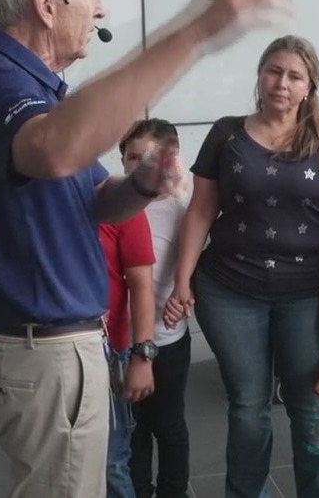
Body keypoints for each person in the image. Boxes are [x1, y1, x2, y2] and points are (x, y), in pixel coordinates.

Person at [0, 0, 292, 497]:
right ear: (47, 6)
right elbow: (54, 151)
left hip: (62, 347)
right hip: (44, 352)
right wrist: (199, 28)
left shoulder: (41, 94)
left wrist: (143, 185)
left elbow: (97, 200)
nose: (101, 6)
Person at [166, 35, 319, 498]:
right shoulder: (227, 134)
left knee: (313, 407)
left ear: (310, 86)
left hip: (310, 293)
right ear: (259, 75)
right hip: (230, 289)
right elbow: (200, 211)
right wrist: (181, 281)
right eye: (274, 70)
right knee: (247, 406)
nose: (282, 83)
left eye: (295, 75)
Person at [121, 119, 193, 498]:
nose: (140, 166)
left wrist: (185, 296)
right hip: (119, 342)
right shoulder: (111, 204)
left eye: (150, 158)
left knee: (168, 425)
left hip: (167, 341)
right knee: (132, 429)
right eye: (132, 157)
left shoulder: (181, 209)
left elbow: (200, 262)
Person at [99, 188, 158, 498]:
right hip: (54, 351)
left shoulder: (119, 204)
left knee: (111, 461)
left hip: (109, 350)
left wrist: (142, 356)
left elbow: (141, 285)